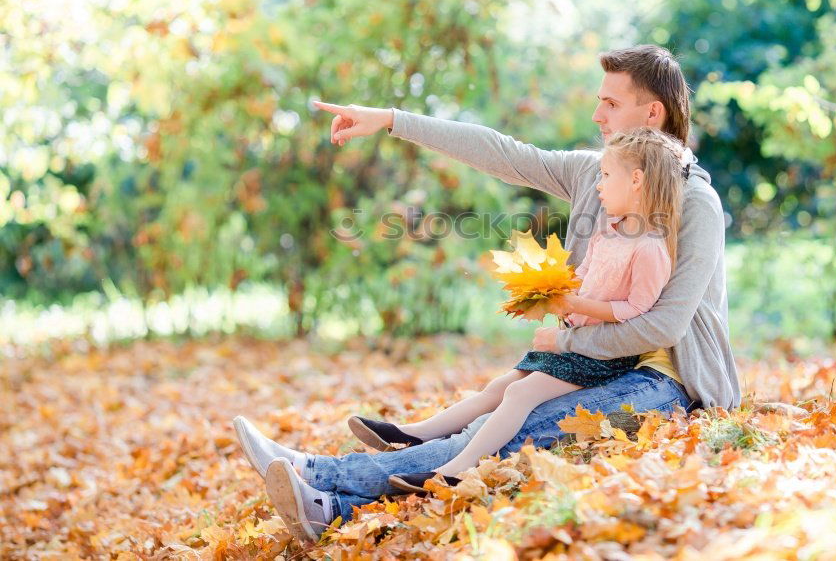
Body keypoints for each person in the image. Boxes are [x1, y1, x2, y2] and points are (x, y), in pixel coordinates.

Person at [233, 44, 741, 543]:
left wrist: (563, 344)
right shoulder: (597, 173)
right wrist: (391, 118)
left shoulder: (696, 202)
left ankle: (320, 477)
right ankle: (331, 503)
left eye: (611, 103)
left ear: (652, 113)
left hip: (664, 379)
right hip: (598, 357)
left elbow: (663, 326)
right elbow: (504, 153)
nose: (597, 113)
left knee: (511, 428)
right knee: (495, 414)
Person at [380, 128, 688, 492]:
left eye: (606, 175)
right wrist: (555, 292)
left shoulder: (651, 248)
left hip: (602, 355)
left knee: (519, 395)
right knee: (502, 385)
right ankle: (416, 433)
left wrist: (577, 305)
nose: (599, 185)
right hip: (574, 338)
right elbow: (586, 273)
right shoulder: (608, 229)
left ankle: (456, 469)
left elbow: (637, 308)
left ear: (636, 180)